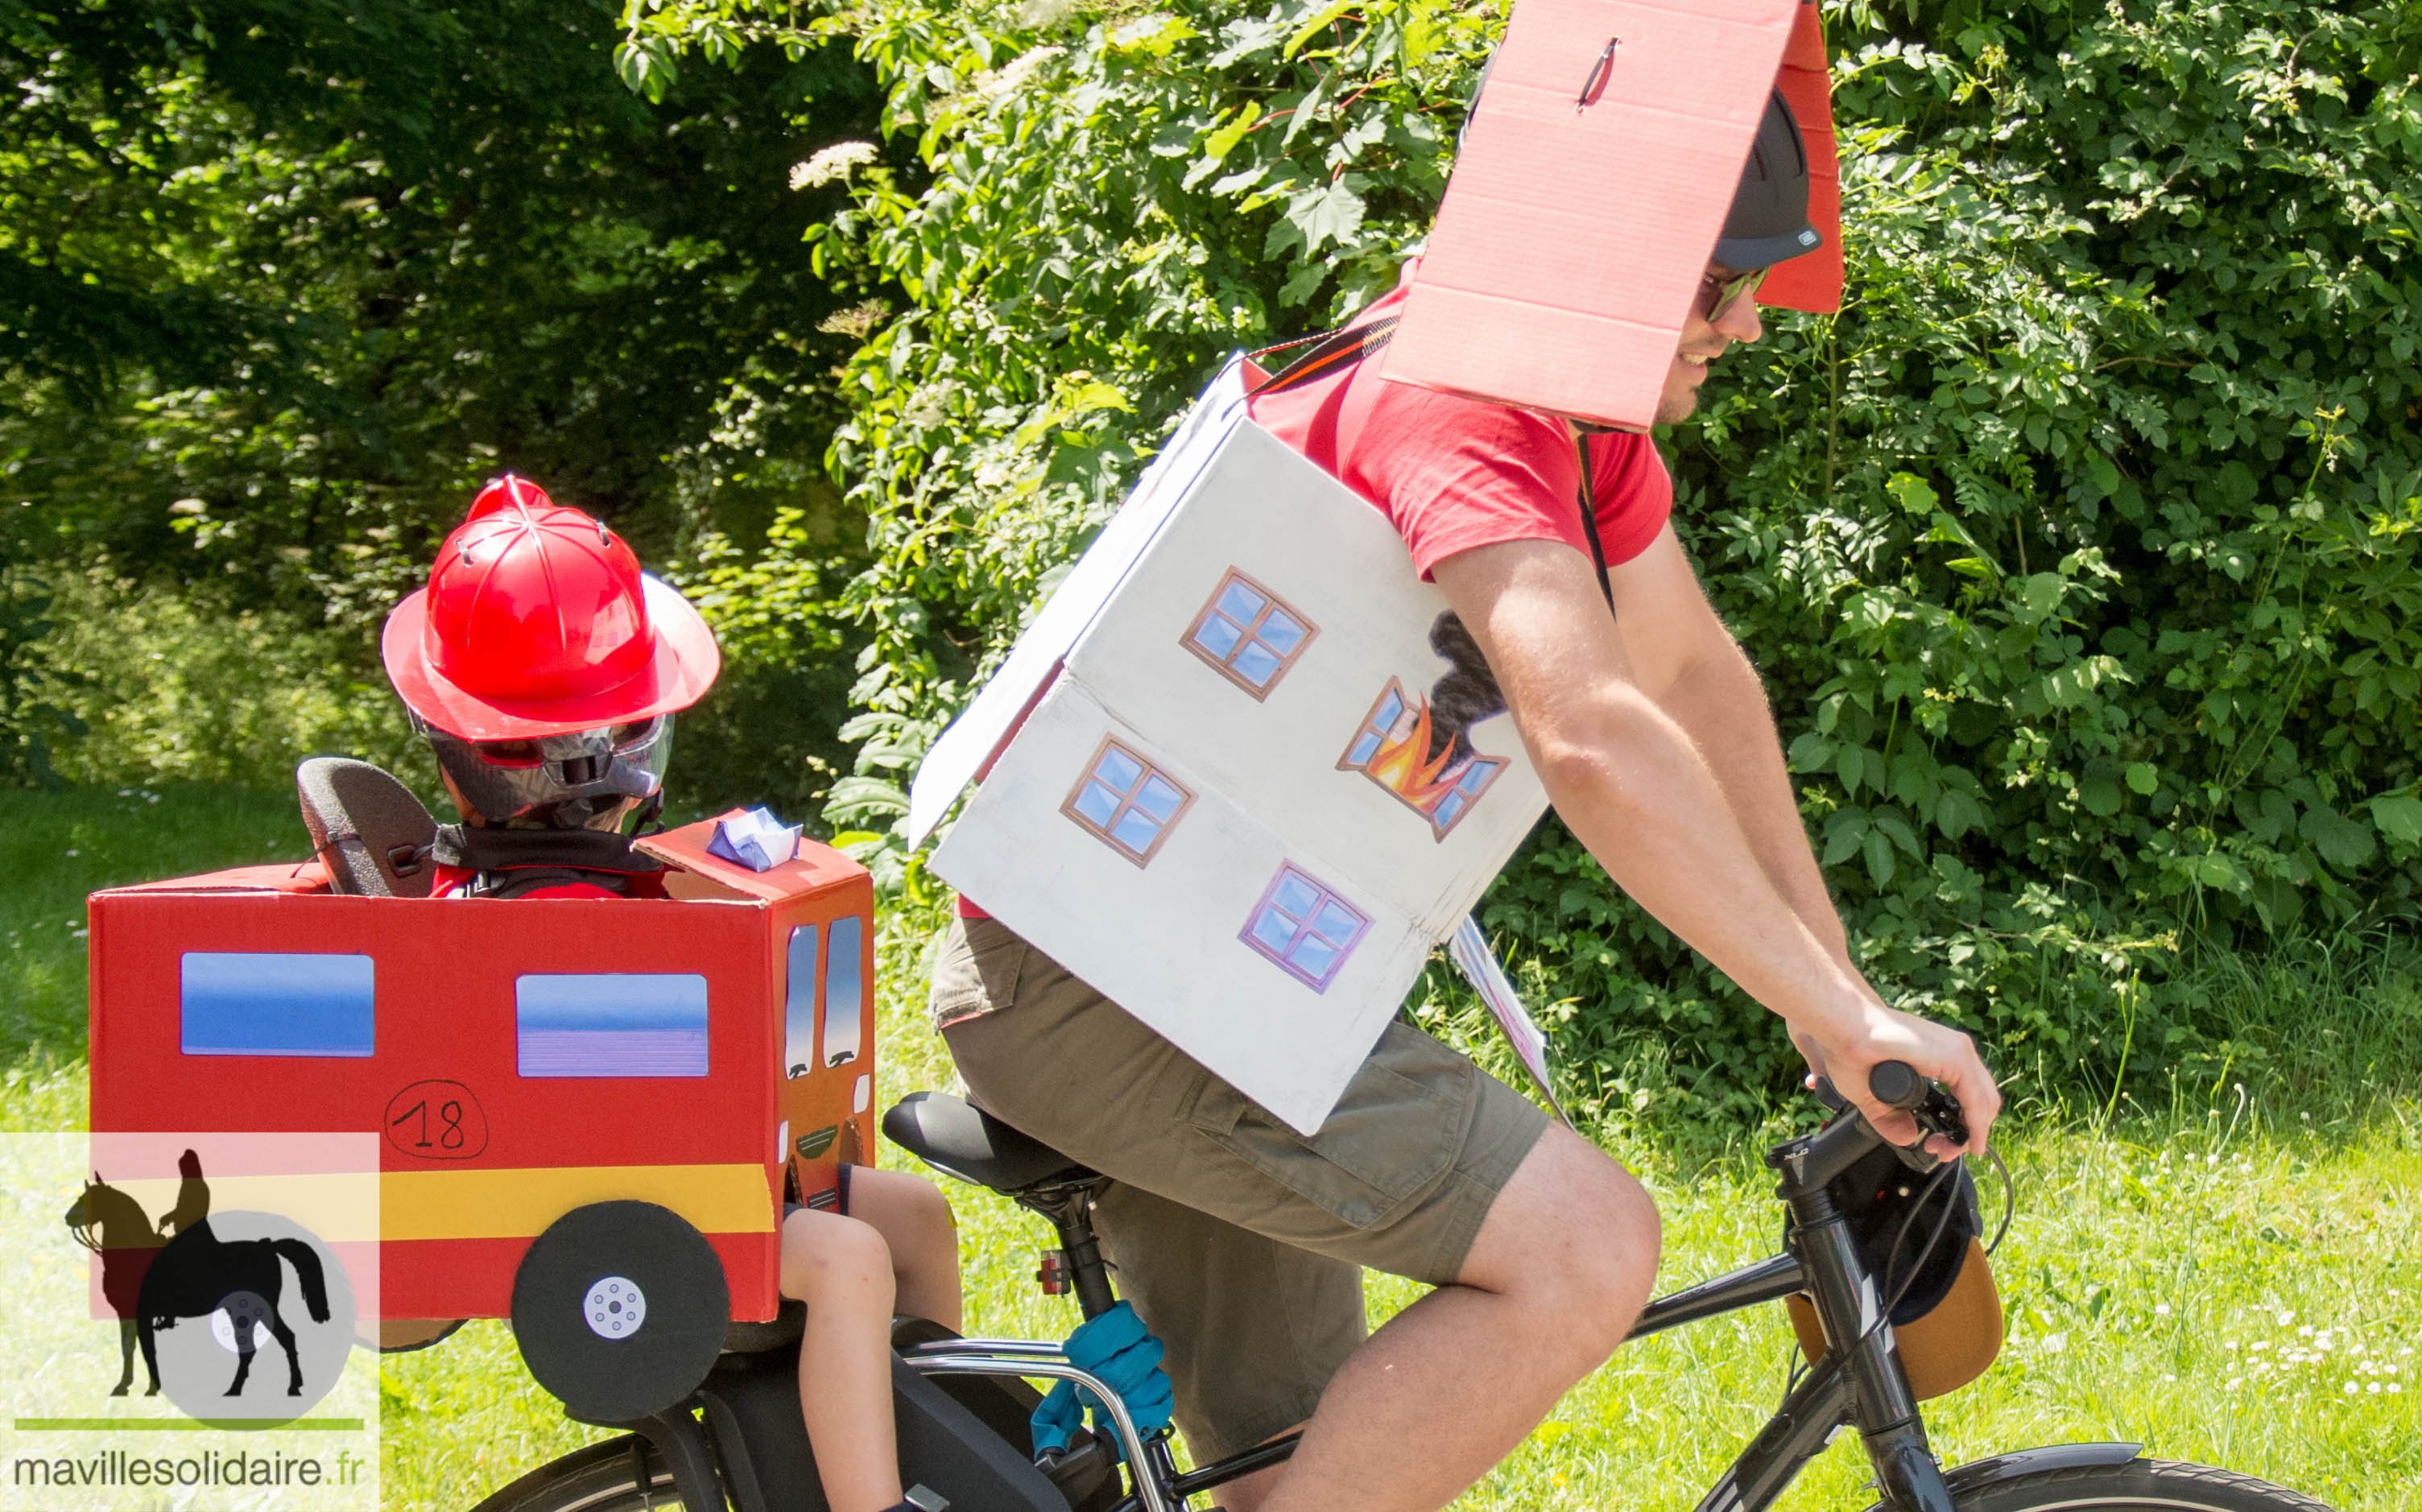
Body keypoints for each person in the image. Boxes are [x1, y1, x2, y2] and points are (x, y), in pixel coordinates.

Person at [926, 89, 2004, 1512]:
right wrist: (1840, 1014)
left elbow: (1692, 678)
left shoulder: (1568, 407)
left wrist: (1833, 996)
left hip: (1209, 969)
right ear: (1610, 267)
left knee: (1299, 1474)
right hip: (1118, 984)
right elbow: (1598, 734)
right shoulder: (1464, 404)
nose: (1747, 324)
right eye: (1722, 284)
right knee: (1588, 1248)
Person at [381, 475, 963, 1512]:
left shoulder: (505, 884)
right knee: (846, 1260)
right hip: (589, 1204)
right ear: (636, 738)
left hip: (645, 1178)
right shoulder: (566, 918)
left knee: (911, 1215)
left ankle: (943, 1453)